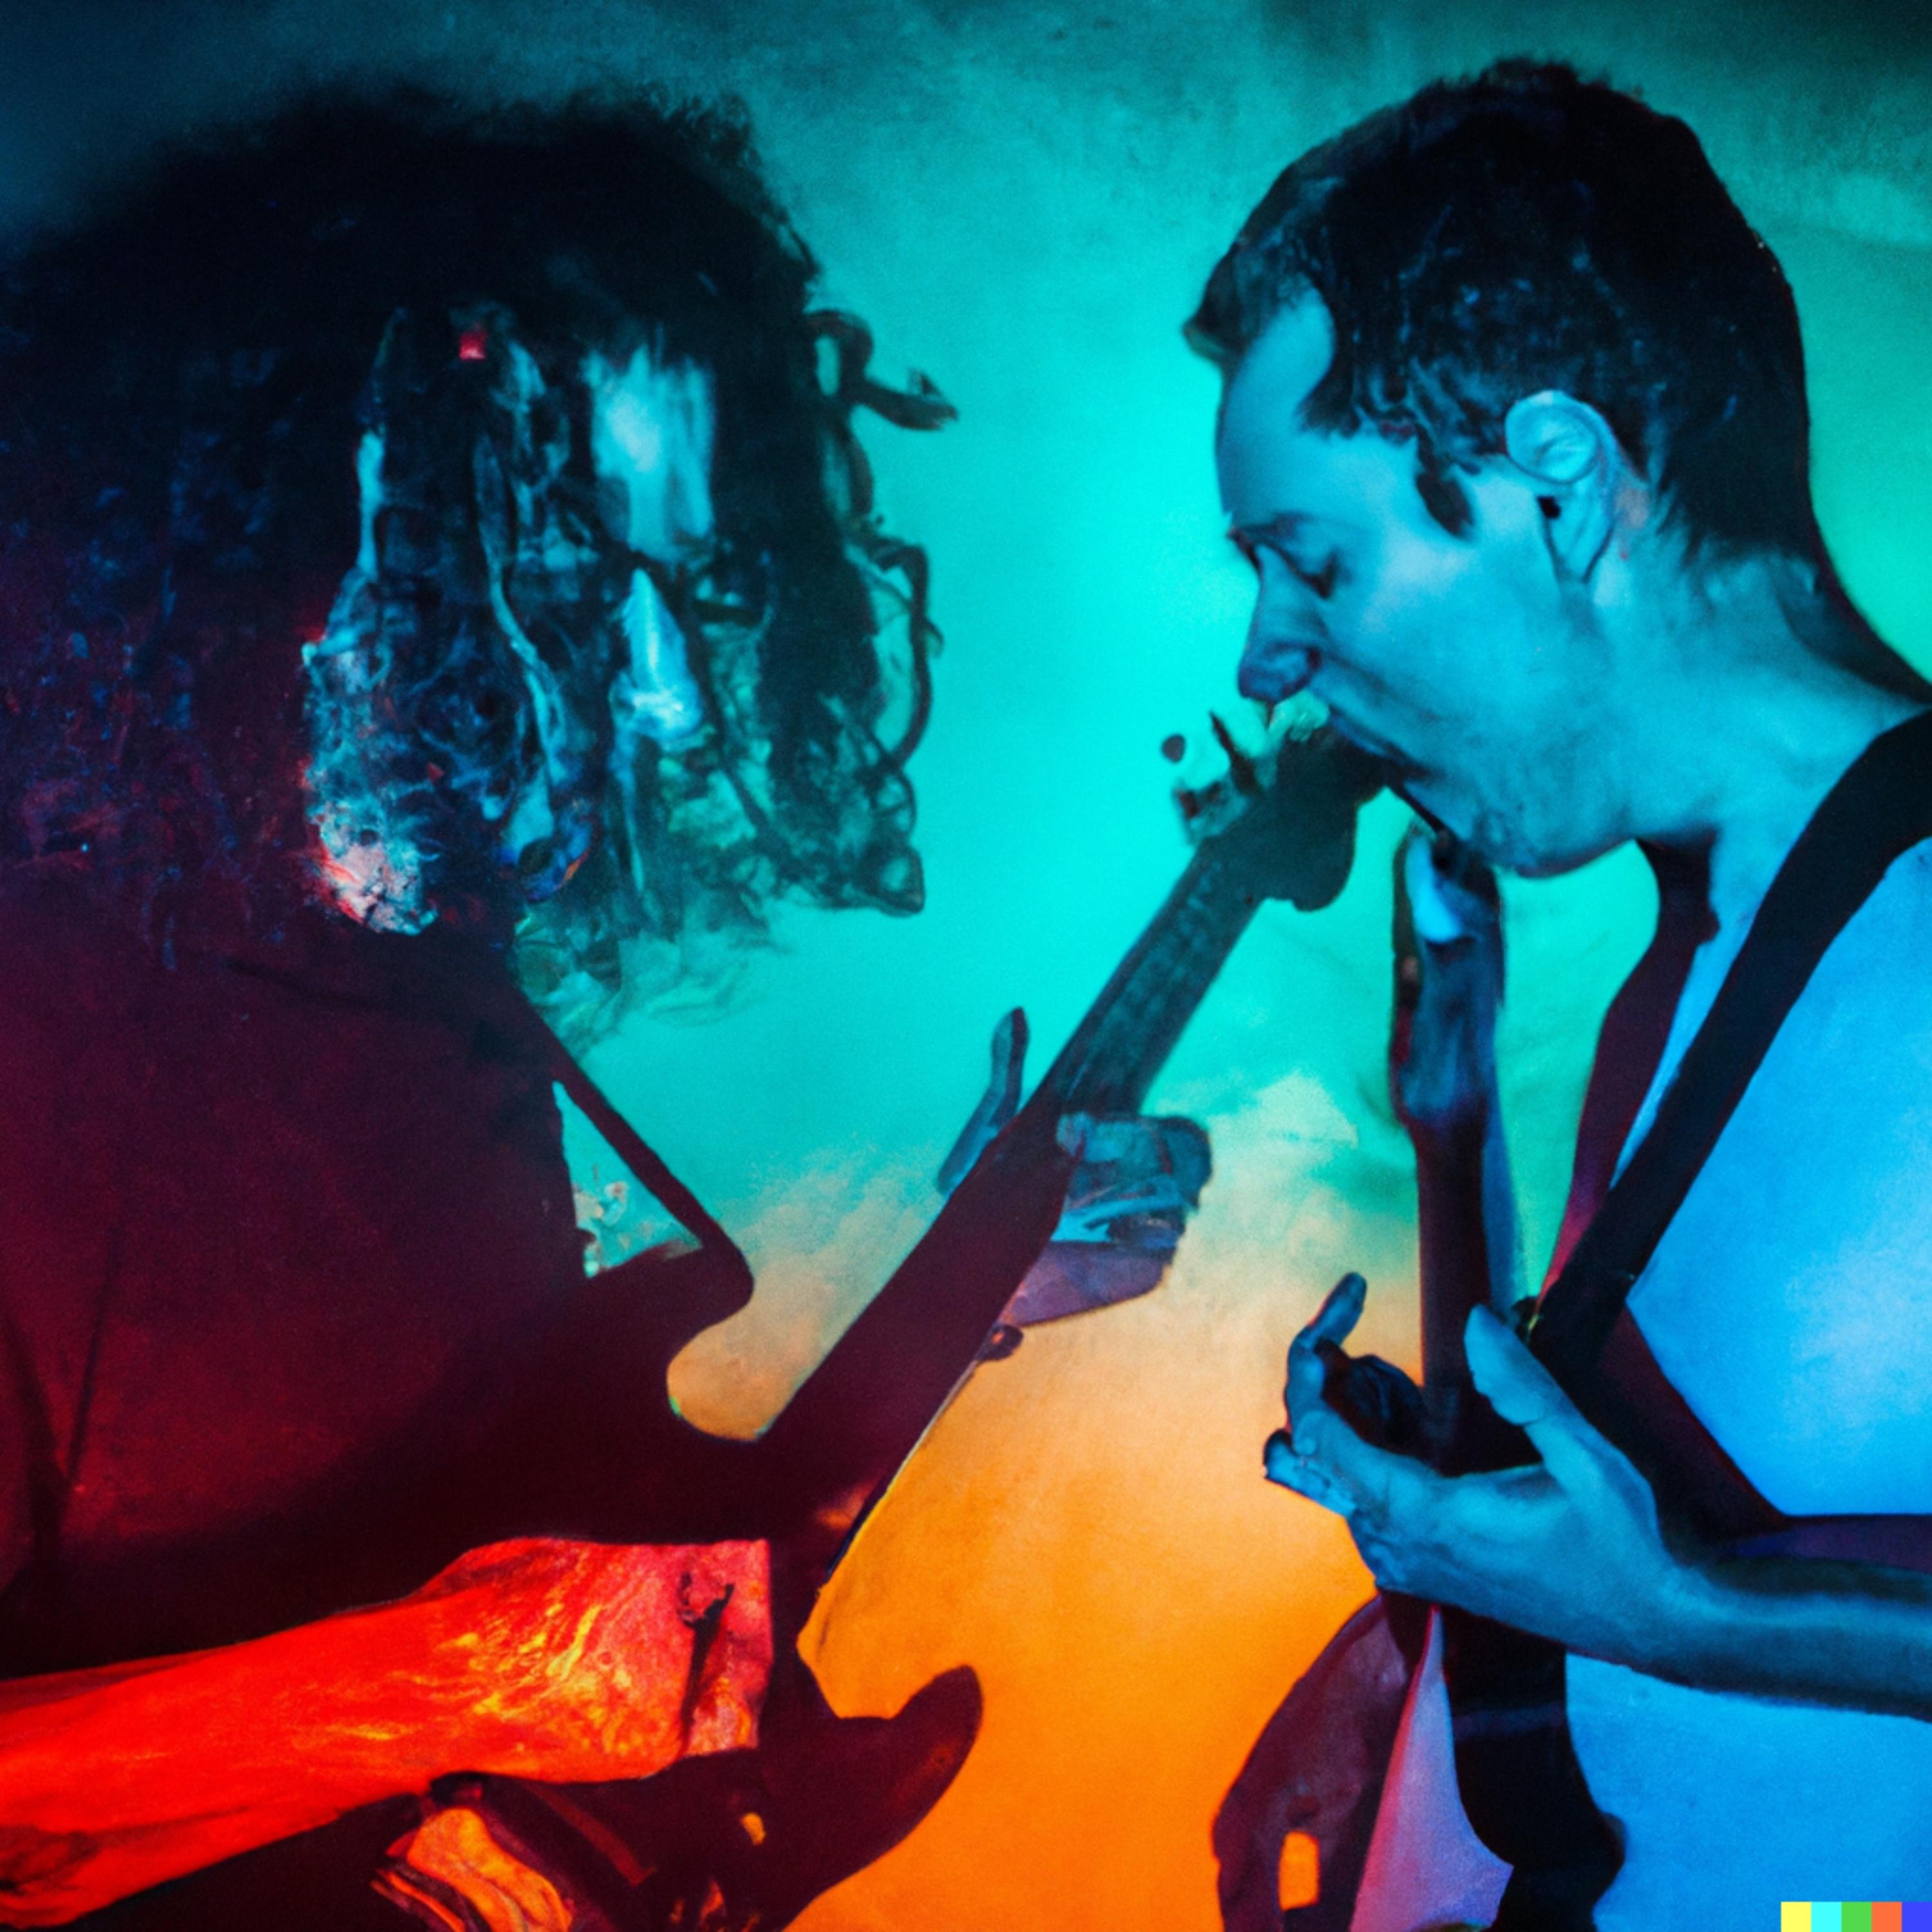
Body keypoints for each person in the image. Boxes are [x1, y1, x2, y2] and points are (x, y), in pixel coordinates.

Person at [0, 88, 1210, 1931]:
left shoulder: (443, 1013)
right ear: (328, 524)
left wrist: (972, 1291)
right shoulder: (42, 1056)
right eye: (573, 575)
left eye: (695, 586)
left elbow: (521, 1546)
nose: (663, 694)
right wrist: (444, 1684)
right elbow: (488, 1651)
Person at [1188, 59, 1932, 1931]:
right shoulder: (1682, 962)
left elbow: (1682, 1594)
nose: (1269, 660)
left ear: (1563, 482)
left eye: (1312, 562)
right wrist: (1413, 1660)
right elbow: (1612, 1496)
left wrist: (1706, 1615)